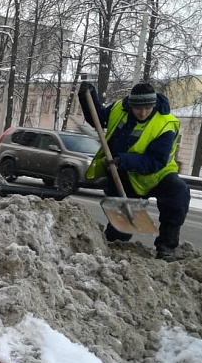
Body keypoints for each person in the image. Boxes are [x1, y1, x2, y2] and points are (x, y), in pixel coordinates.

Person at [78, 81, 190, 261]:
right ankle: (113, 245)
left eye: (147, 108)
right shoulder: (118, 110)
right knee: (120, 229)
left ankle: (167, 247)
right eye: (139, 108)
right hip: (125, 175)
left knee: (178, 193)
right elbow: (97, 119)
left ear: (153, 105)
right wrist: (87, 96)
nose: (143, 113)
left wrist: (124, 160)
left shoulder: (165, 124)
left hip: (157, 175)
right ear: (131, 104)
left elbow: (156, 160)